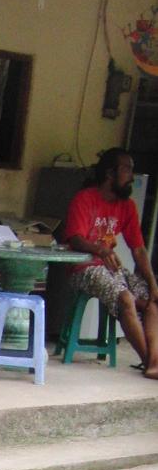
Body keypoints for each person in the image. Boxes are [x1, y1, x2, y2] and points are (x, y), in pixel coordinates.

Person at [62, 147, 158, 379]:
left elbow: (138, 249)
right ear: (109, 173)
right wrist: (100, 249)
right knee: (125, 298)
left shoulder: (127, 207)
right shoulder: (84, 199)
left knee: (151, 301)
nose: (132, 177)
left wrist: (152, 283)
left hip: (112, 268)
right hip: (83, 267)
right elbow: (75, 238)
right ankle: (150, 363)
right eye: (127, 169)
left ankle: (154, 362)